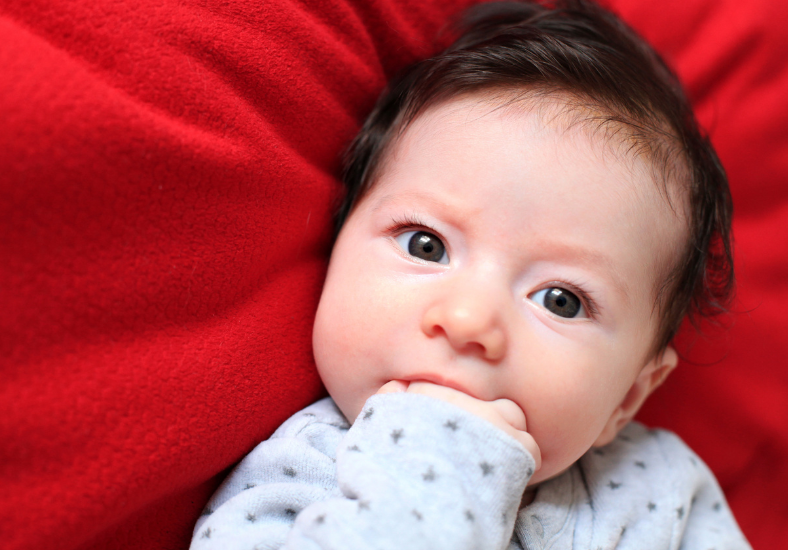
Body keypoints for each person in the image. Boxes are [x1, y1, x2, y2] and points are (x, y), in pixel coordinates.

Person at [190, 1, 751, 548]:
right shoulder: (306, 471)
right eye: (426, 245)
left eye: (560, 300)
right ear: (335, 245)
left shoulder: (661, 487)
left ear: (627, 398)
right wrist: (443, 458)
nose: (467, 321)